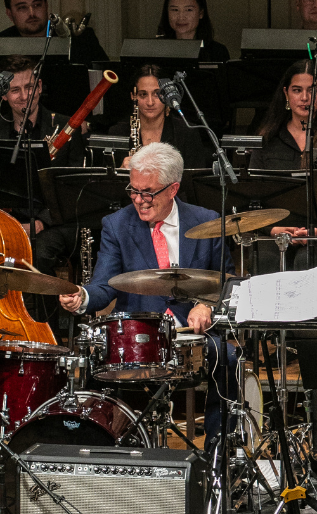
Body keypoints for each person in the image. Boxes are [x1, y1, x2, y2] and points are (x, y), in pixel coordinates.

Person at [58, 142, 237, 443]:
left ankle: (219, 450)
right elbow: (104, 285)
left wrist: (206, 305)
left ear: (173, 189)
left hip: (191, 335)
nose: (139, 200)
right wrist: (82, 297)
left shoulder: (207, 221)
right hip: (137, 335)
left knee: (230, 357)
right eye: (133, 190)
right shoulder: (117, 225)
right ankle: (115, 447)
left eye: (147, 192)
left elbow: (227, 282)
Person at [0, 54, 85, 333]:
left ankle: (43, 331)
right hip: (9, 221)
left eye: (30, 86)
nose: (24, 96)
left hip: (55, 221)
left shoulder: (65, 126)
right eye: (15, 89)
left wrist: (39, 222)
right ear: (3, 95)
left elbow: (73, 188)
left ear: (40, 87)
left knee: (39, 250)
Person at [249, 59, 317, 271]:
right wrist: (273, 228)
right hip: (278, 230)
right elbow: (253, 199)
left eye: (312, 90)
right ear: (286, 94)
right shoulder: (267, 139)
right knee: (267, 259)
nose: (305, 98)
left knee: (308, 260)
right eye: (297, 90)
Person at [108, 65, 209, 169]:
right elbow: (104, 183)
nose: (150, 102)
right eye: (143, 94)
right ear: (133, 96)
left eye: (157, 94)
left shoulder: (187, 133)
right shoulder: (117, 133)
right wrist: (121, 173)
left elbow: (196, 181)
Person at [1, 0, 108, 66]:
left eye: (37, 5)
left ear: (46, 6)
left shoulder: (82, 39)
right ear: (10, 14)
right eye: (22, 7)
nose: (32, 13)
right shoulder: (2, 43)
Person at [157, 0, 230, 62]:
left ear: (201, 13)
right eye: (175, 10)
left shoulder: (217, 51)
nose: (181, 17)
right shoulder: (157, 50)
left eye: (188, 10)